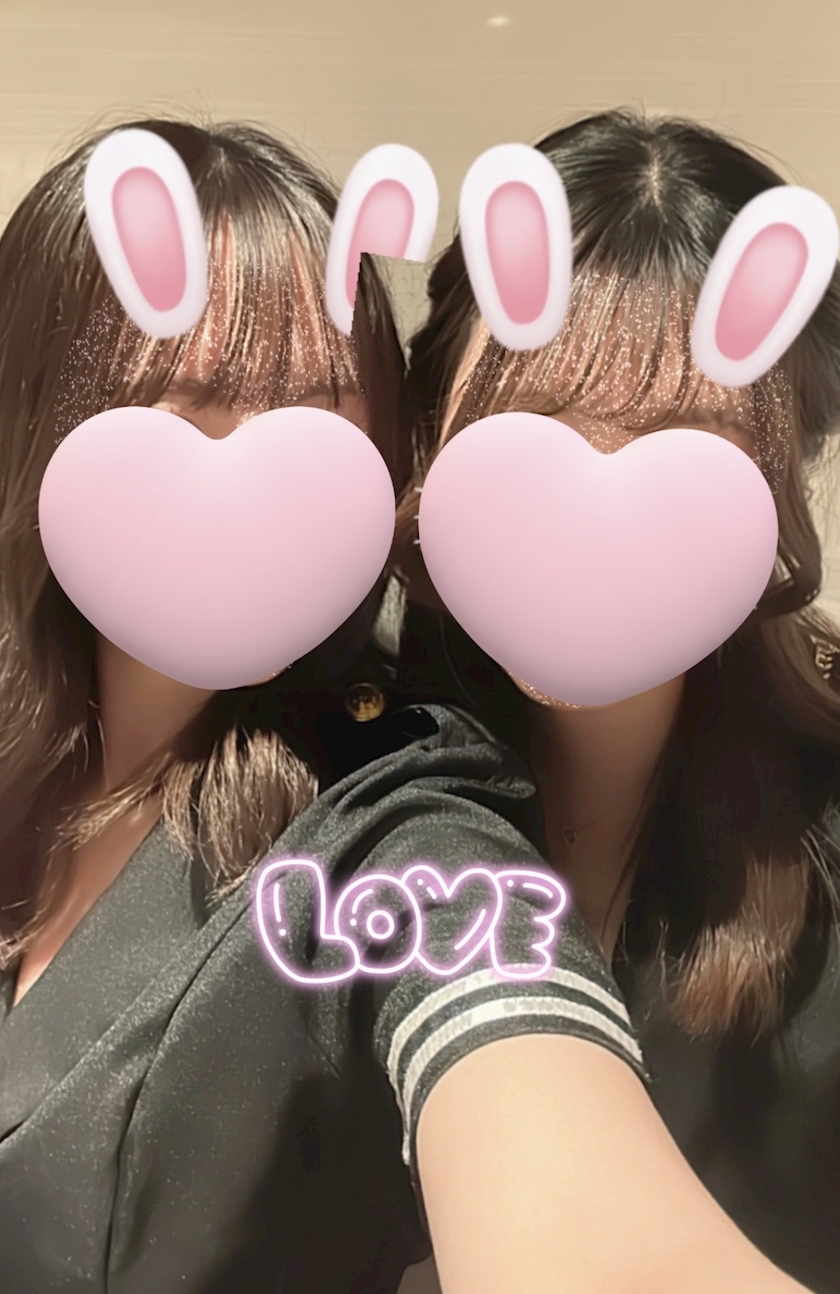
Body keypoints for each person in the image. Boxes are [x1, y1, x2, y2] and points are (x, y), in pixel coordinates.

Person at [0, 113, 817, 1294]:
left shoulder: (396, 805)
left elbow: (488, 992)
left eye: (316, 408)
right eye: (190, 399)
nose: (600, 501)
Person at [395, 107, 840, 1294]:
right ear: (433, 438)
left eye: (686, 443)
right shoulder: (335, 779)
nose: (597, 507)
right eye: (536, 426)